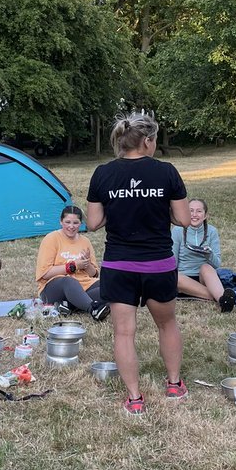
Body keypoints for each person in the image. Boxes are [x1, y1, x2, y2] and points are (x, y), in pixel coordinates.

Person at [87, 111, 190, 413]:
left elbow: (93, 223)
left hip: (119, 266)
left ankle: (134, 399)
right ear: (147, 141)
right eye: (155, 140)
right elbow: (184, 219)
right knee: (167, 323)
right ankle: (174, 384)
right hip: (158, 264)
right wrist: (161, 210)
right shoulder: (167, 171)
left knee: (123, 333)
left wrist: (117, 207)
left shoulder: (103, 173)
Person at [35, 205, 109, 320]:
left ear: (81, 224)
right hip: (53, 287)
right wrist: (73, 266)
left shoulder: (85, 241)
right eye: (67, 222)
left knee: (111, 287)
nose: (71, 226)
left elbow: (93, 274)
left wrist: (87, 264)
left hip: (83, 284)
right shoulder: (51, 239)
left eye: (75, 223)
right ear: (61, 222)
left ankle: (68, 305)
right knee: (69, 281)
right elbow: (45, 273)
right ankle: (93, 309)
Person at [172, 198, 236, 312]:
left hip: (204, 278)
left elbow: (217, 264)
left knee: (206, 267)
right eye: (191, 211)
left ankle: (217, 297)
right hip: (184, 279)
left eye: (199, 211)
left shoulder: (212, 231)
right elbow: (173, 262)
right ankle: (221, 299)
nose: (194, 215)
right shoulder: (177, 230)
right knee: (175, 277)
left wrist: (209, 254)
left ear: (205, 215)